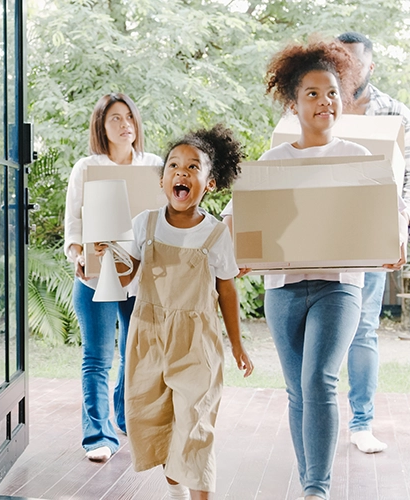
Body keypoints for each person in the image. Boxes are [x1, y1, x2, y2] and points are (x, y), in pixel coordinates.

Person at [222, 38, 408, 500]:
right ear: (292, 102)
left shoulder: (358, 158)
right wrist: (237, 249)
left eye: (331, 93)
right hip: (283, 288)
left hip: (338, 286)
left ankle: (316, 489)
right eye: (312, 93)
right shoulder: (271, 162)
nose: (325, 102)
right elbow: (235, 216)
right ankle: (311, 485)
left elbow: (392, 211)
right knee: (297, 391)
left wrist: (397, 240)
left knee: (319, 379)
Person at [100, 124, 254, 500]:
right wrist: (104, 256)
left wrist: (236, 345)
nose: (181, 173)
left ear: (210, 184)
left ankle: (200, 494)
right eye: (173, 165)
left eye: (193, 167)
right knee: (154, 422)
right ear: (163, 179)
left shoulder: (216, 235)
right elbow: (127, 273)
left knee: (195, 425)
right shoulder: (144, 224)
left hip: (196, 343)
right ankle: (175, 490)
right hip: (148, 337)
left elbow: (227, 290)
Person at [336, 31, 410, 454]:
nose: (347, 70)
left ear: (370, 67)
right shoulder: (312, 106)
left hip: (372, 236)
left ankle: (361, 422)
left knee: (364, 331)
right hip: (318, 238)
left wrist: (402, 221)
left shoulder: (394, 112)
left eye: (355, 63)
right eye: (340, 61)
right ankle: (312, 417)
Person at [63, 92, 162, 462]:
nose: (125, 125)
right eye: (115, 119)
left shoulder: (153, 165)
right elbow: (73, 224)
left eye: (129, 118)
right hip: (96, 278)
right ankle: (97, 436)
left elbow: (165, 218)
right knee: (97, 358)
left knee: (135, 357)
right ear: (101, 127)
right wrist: (78, 255)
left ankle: (124, 418)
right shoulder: (86, 167)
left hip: (139, 277)